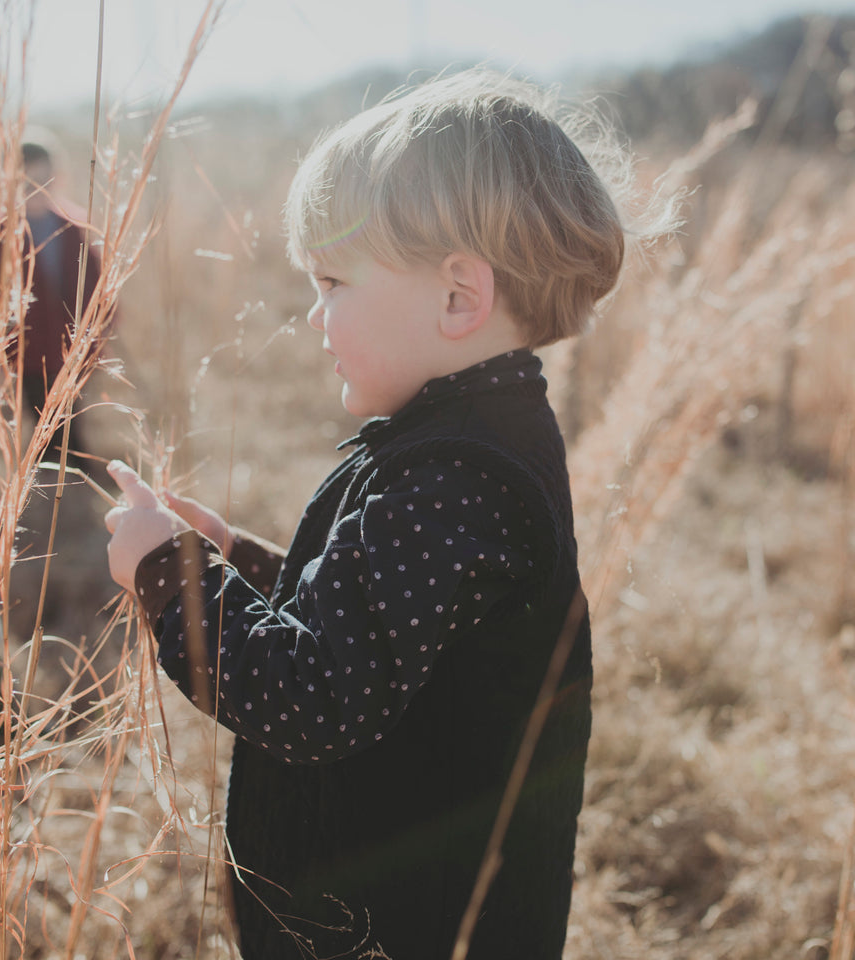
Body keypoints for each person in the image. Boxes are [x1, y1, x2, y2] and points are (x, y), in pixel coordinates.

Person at [104, 70, 644, 960]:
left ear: (458, 298)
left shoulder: (458, 476)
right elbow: (390, 626)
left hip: (401, 928)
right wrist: (240, 561)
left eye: (332, 281)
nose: (314, 317)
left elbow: (313, 697)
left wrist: (173, 578)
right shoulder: (472, 437)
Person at [15, 135, 104, 464]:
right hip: (25, 351)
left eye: (43, 181)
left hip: (70, 345)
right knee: (37, 412)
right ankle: (47, 476)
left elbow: (97, 287)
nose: (36, 191)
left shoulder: (74, 227)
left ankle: (74, 472)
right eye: (27, 183)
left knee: (71, 413)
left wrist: (96, 334)